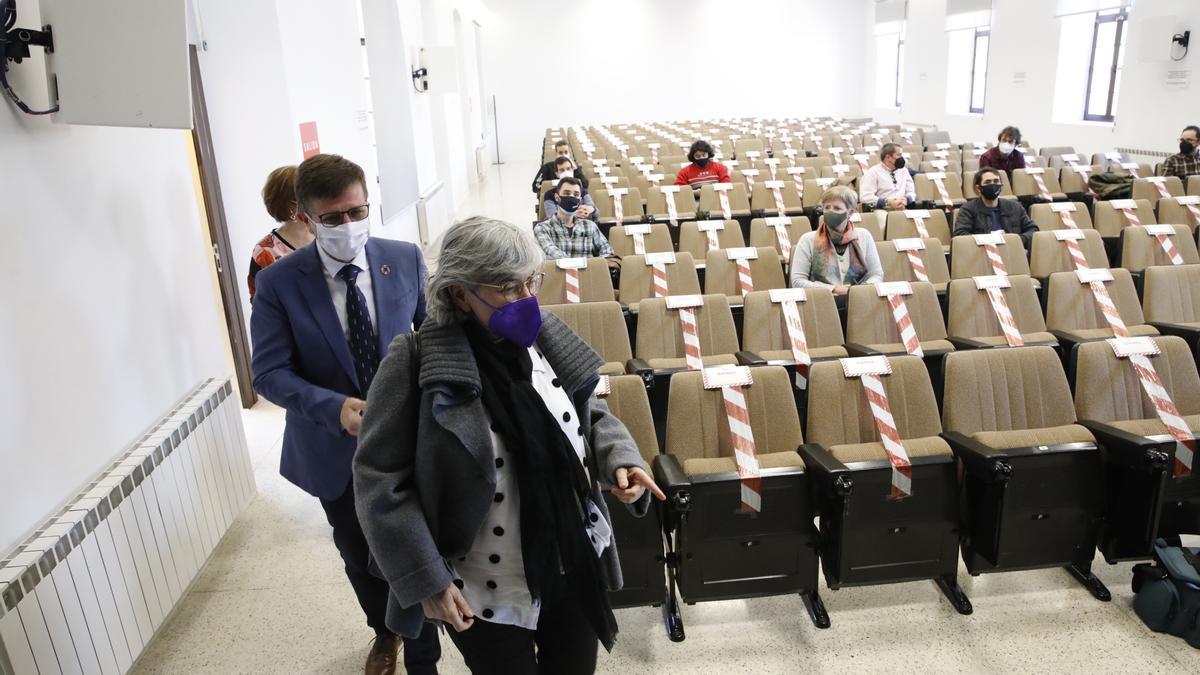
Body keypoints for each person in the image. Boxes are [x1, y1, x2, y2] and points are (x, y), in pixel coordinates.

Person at [354, 216, 665, 675]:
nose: (526, 299)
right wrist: (425, 580)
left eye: (530, 282)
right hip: (484, 585)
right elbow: (379, 482)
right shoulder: (416, 360)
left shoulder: (545, 337)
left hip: (570, 557)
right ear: (459, 293)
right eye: (507, 287)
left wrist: (620, 457)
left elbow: (586, 412)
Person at [250, 154, 441, 675]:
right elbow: (268, 374)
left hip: (409, 438)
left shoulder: (402, 258)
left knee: (417, 549)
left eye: (358, 211)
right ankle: (384, 633)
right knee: (361, 555)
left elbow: (432, 336)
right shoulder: (279, 283)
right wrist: (335, 408)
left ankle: (424, 655)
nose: (349, 225)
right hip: (335, 451)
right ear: (307, 218)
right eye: (333, 218)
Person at [789, 186, 883, 294]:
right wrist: (833, 289)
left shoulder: (864, 236)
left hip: (859, 299)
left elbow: (876, 275)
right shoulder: (808, 239)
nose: (830, 212)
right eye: (827, 208)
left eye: (837, 208)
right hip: (822, 301)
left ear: (850, 212)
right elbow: (797, 281)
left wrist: (857, 291)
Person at [248, 166, 314, 300]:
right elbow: (259, 302)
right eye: (309, 197)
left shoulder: (326, 235)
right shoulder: (265, 251)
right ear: (292, 206)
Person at [535, 177, 618, 268]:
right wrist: (586, 264)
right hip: (559, 279)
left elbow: (607, 252)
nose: (571, 197)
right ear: (557, 197)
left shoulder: (590, 226)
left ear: (580, 199)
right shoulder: (542, 228)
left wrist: (595, 268)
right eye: (567, 193)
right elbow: (552, 252)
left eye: (576, 194)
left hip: (589, 277)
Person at [953, 168, 1039, 249]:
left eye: (996, 181)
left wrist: (1017, 240)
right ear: (978, 188)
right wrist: (987, 241)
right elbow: (960, 235)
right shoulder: (968, 209)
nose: (993, 185)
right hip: (983, 254)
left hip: (1012, 251)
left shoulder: (1015, 207)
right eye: (988, 182)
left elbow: (1033, 230)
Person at [859, 143, 916, 211]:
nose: (901, 158)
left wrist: (907, 199)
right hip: (882, 210)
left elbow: (911, 192)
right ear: (888, 157)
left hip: (903, 208)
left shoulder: (904, 170)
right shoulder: (873, 172)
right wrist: (887, 202)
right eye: (899, 155)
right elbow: (865, 197)